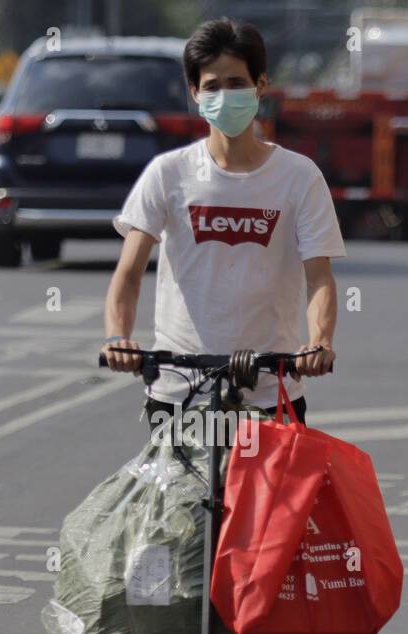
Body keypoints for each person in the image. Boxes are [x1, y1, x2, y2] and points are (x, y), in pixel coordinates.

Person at [101, 17, 344, 431]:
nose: (224, 95)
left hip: (269, 390)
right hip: (179, 390)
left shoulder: (299, 177)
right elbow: (129, 273)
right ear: (195, 93)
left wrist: (319, 342)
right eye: (212, 86)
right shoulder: (168, 173)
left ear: (261, 84)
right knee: (175, 499)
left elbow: (319, 277)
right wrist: (117, 337)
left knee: (272, 500)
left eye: (236, 83)